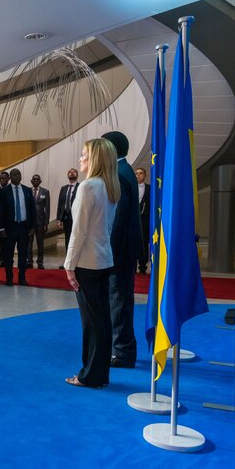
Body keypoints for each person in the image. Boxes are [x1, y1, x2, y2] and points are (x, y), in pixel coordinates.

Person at [64, 138, 120, 388]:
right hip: (103, 259)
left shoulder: (89, 187)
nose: (80, 159)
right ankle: (97, 373)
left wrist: (69, 264)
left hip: (87, 263)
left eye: (84, 154)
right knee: (102, 320)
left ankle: (90, 375)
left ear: (96, 158)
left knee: (92, 322)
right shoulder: (110, 187)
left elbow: (79, 231)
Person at [102, 130, 141, 368]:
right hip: (126, 249)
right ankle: (123, 348)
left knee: (118, 300)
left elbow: (118, 220)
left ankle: (123, 352)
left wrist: (109, 252)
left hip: (120, 251)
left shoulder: (119, 173)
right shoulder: (126, 170)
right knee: (121, 298)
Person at [0, 168, 35, 286]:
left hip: (23, 227)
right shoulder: (4, 191)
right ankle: (9, 278)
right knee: (8, 254)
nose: (17, 176)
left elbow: (32, 209)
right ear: (10, 177)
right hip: (10, 228)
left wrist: (32, 226)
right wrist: (1, 228)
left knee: (23, 254)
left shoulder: (27, 190)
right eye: (14, 174)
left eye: (19, 174)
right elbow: (1, 212)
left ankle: (22, 277)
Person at [56, 168, 79, 269]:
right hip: (66, 218)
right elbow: (60, 204)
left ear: (77, 175)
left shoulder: (80, 187)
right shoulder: (63, 188)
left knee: (76, 240)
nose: (71, 173)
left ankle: (77, 262)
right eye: (69, 172)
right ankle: (67, 262)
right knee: (68, 239)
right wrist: (58, 219)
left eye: (73, 172)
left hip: (77, 218)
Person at [28, 174, 51, 269]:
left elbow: (47, 208)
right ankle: (29, 261)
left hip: (41, 222)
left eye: (38, 179)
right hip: (30, 223)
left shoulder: (45, 192)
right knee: (29, 242)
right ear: (31, 181)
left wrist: (46, 223)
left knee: (40, 243)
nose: (36, 181)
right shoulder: (27, 191)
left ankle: (40, 262)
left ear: (40, 181)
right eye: (34, 179)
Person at [136, 167, 150, 274]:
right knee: (132, 243)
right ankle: (132, 266)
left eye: (141, 173)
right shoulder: (130, 188)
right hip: (132, 221)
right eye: (136, 173)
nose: (138, 175)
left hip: (145, 221)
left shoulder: (150, 189)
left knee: (144, 243)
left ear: (145, 176)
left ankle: (143, 266)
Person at [0, 171, 10, 268]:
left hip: (9, 221)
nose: (2, 180)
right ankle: (1, 260)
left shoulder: (11, 190)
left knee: (9, 243)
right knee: (0, 242)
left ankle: (9, 260)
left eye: (4, 178)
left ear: (8, 179)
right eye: (1, 178)